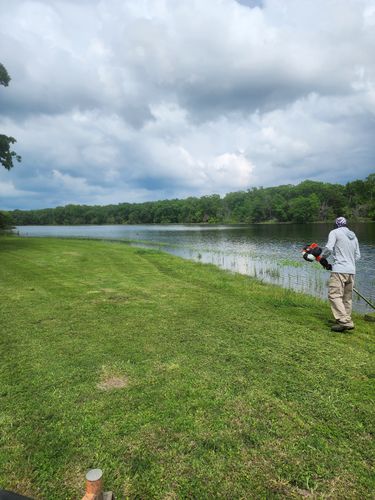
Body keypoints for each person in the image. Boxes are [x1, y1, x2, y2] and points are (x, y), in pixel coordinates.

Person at [321, 217, 360, 332]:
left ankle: (345, 321)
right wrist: (347, 261)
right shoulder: (353, 236)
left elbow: (328, 248)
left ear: (336, 224)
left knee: (334, 295)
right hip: (351, 271)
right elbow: (357, 256)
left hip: (339, 270)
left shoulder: (334, 232)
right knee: (347, 297)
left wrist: (323, 258)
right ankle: (345, 319)